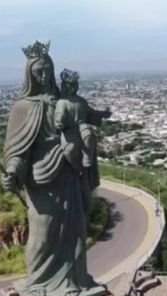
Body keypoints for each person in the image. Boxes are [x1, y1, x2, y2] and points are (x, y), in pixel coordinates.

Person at [1, 41, 104, 296]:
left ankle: (74, 280)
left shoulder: (63, 100)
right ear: (30, 74)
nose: (45, 76)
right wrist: (12, 172)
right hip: (41, 177)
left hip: (70, 173)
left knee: (75, 229)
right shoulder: (23, 107)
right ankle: (38, 279)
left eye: (48, 70)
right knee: (44, 231)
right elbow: (16, 150)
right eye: (39, 72)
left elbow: (84, 117)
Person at [55, 68, 111, 214]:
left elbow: (91, 112)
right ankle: (77, 168)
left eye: (75, 85)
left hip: (81, 127)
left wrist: (103, 114)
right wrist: (60, 123)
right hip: (69, 132)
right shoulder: (62, 102)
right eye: (70, 85)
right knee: (70, 149)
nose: (73, 88)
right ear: (65, 86)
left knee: (89, 133)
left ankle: (87, 159)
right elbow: (59, 117)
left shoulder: (81, 101)